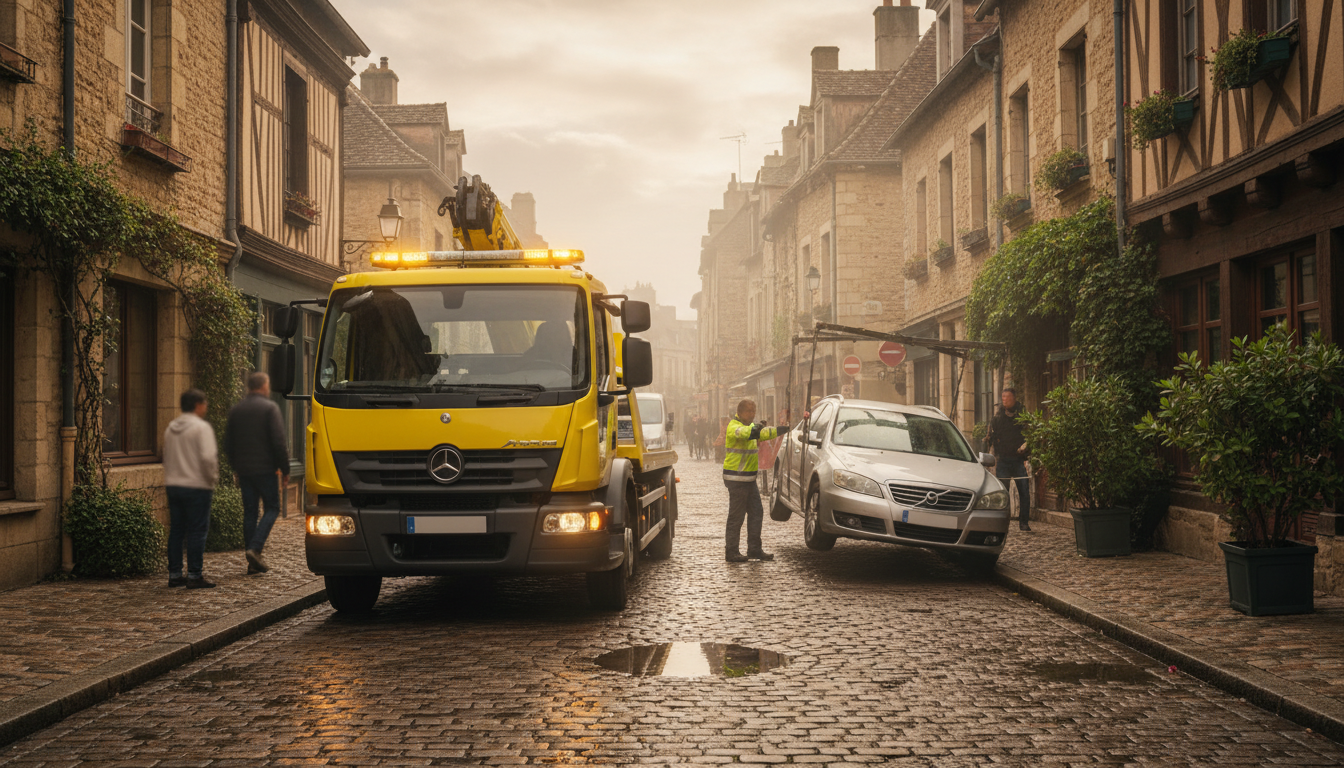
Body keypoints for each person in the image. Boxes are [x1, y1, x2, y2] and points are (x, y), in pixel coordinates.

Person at [225, 372, 290, 574]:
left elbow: (228, 444)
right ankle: (255, 548)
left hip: (245, 471)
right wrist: (285, 469)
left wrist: (237, 466)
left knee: (250, 513)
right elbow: (279, 443)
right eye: (268, 386)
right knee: (272, 508)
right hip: (266, 469)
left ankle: (252, 564)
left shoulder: (236, 410)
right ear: (263, 386)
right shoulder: (270, 408)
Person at [163, 388, 219, 589]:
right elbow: (208, 458)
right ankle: (194, 575)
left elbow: (166, 456)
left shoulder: (170, 428)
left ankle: (175, 574)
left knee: (177, 530)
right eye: (205, 403)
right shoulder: (201, 428)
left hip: (174, 485)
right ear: (198, 405)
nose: (206, 407)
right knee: (197, 530)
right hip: (197, 485)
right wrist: (212, 479)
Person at [723, 399, 781, 562]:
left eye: (753, 411)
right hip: (736, 478)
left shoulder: (751, 427)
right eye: (748, 411)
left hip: (749, 478)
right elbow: (745, 433)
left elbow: (764, 433)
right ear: (739, 412)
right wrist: (756, 428)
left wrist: (782, 429)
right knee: (737, 516)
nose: (752, 414)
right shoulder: (733, 426)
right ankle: (731, 551)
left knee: (757, 512)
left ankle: (754, 549)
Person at [985, 387, 1031, 531]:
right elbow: (992, 437)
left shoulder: (1023, 415)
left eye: (1008, 397)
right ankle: (1003, 523)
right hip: (1003, 460)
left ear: (1014, 398)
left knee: (1024, 492)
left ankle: (1024, 522)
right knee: (1003, 494)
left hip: (1019, 460)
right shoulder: (998, 417)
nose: (1005, 400)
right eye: (1003, 397)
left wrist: (1026, 451)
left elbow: (1030, 434)